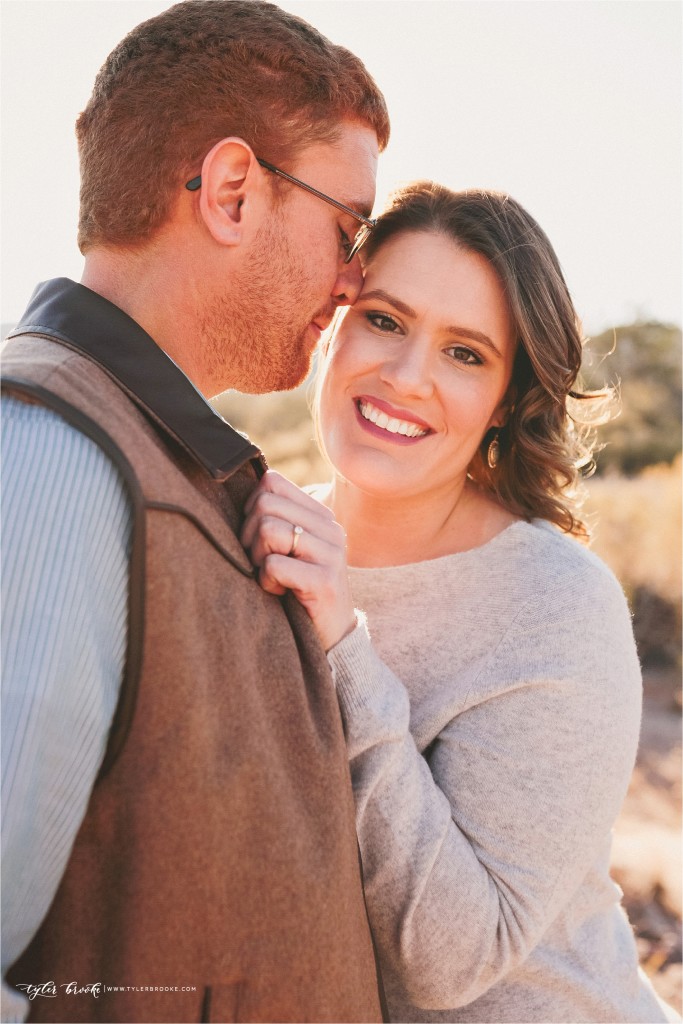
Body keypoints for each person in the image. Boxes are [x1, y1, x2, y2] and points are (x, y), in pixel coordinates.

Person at [0, 2, 390, 1021]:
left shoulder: (159, 463)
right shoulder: (44, 456)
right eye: (347, 229)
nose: (354, 280)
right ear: (228, 192)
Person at [241, 182, 680, 1023]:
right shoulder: (258, 532)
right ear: (331, 322)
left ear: (506, 403)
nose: (406, 378)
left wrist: (342, 643)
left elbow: (449, 964)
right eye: (384, 319)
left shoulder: (554, 606)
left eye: (465, 353)